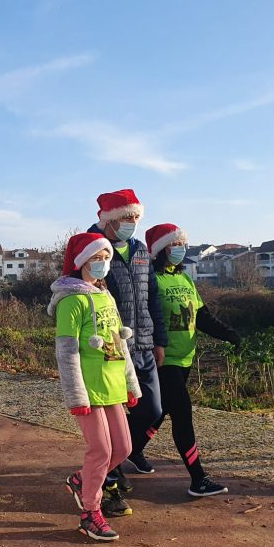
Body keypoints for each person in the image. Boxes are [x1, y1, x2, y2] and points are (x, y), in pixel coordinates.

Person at [49, 232, 140, 542]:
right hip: (88, 388)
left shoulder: (106, 295)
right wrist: (76, 396)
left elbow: (119, 343)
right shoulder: (70, 302)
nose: (101, 264)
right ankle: (90, 512)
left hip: (113, 384)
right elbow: (66, 352)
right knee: (100, 449)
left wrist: (130, 384)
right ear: (81, 262)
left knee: (124, 448)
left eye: (105, 258)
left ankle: (82, 479)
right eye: (95, 258)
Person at [146, 223, 242, 497]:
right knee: (182, 414)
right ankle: (198, 478)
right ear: (162, 249)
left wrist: (228, 334)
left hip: (186, 357)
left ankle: (129, 452)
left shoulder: (185, 279)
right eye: (175, 244)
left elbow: (202, 317)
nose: (181, 249)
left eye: (183, 243)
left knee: (159, 412)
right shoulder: (152, 279)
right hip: (164, 360)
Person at [87, 189, 167, 511]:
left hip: (144, 343)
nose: (132, 224)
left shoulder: (140, 250)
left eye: (136, 218)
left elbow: (153, 297)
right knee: (112, 422)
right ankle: (110, 478)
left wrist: (159, 338)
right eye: (127, 218)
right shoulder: (92, 249)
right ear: (109, 219)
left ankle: (125, 455)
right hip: (111, 349)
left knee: (153, 410)